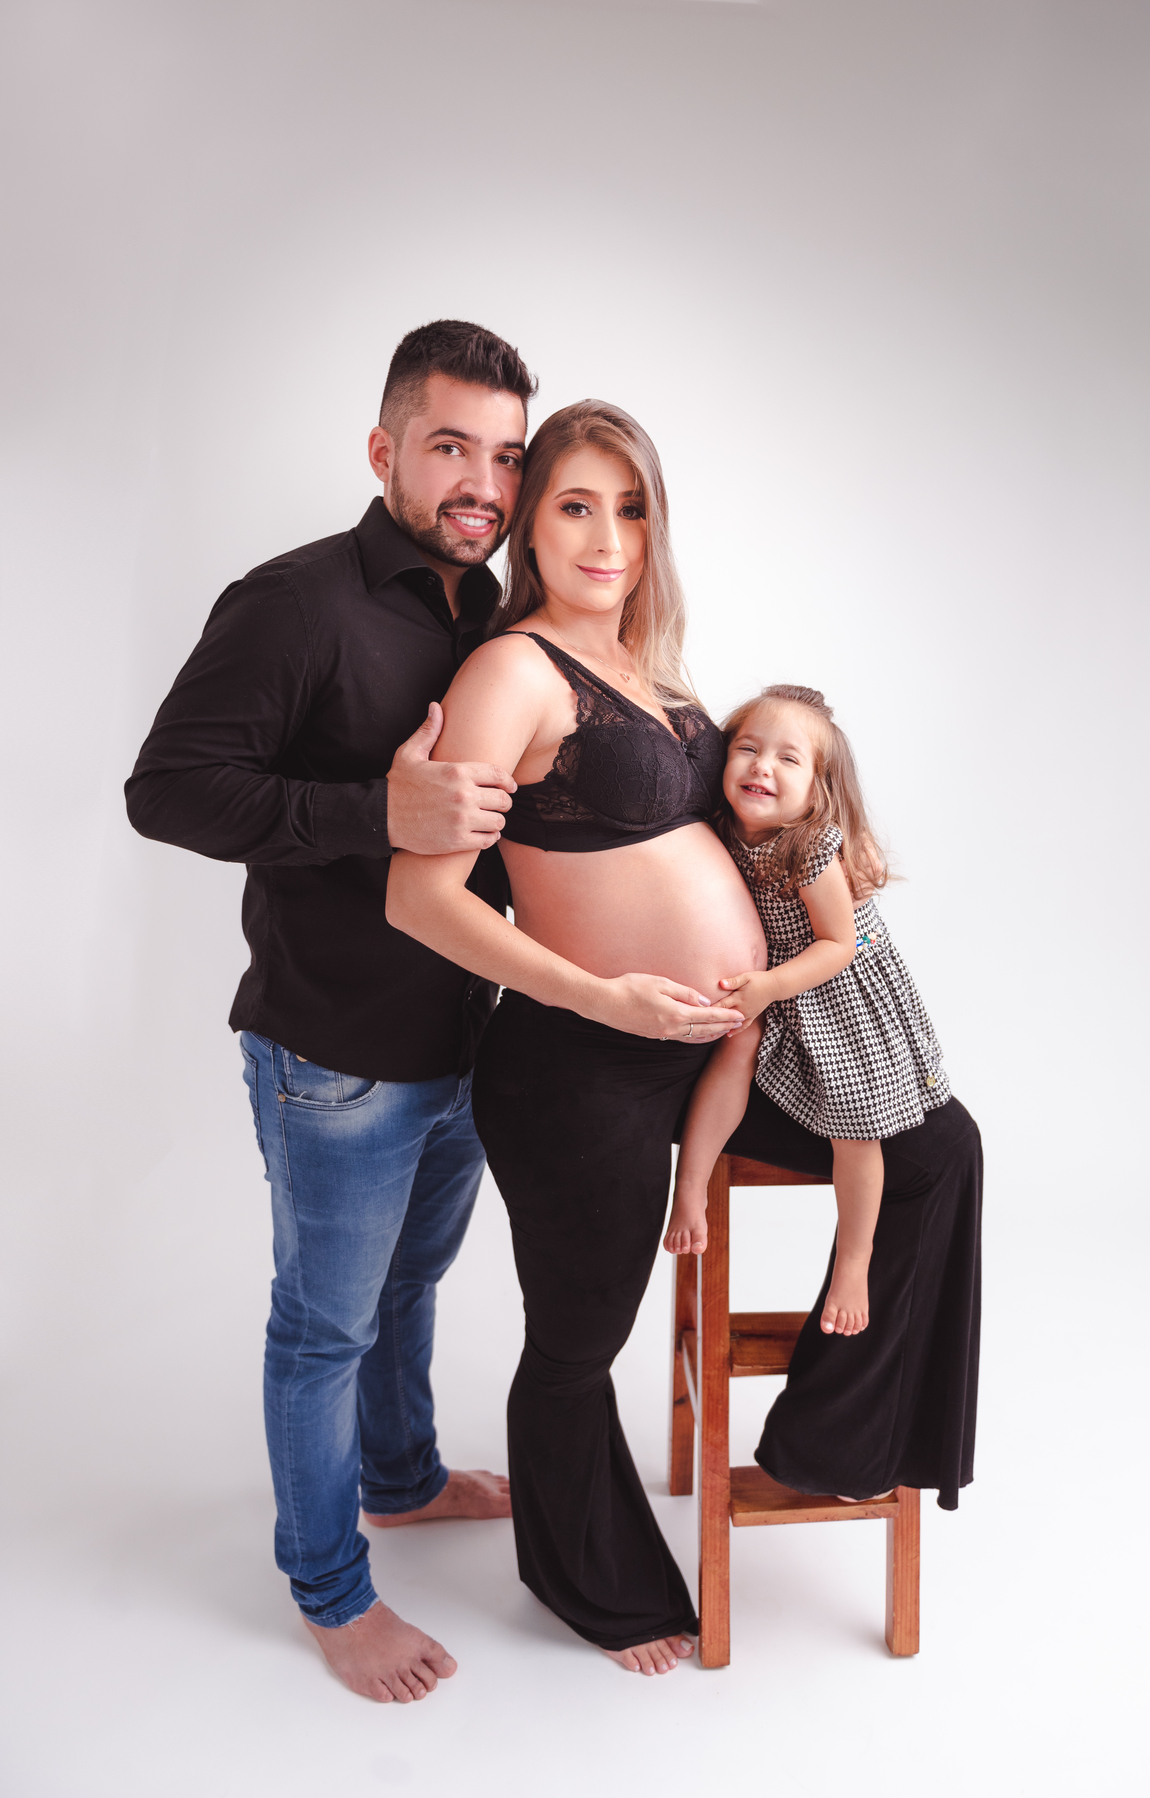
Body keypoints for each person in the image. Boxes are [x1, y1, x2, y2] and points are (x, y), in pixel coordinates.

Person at [123, 323, 738, 1707]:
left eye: (507, 457)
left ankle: (399, 1476)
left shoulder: (492, 615)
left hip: (477, 1032)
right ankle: (330, 1592)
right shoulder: (295, 604)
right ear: (383, 449)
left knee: (412, 1285)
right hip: (337, 1043)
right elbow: (165, 790)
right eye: (451, 447)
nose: (482, 482)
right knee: (324, 1329)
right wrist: (371, 811)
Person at [386, 400, 983, 1678]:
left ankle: (829, 1435)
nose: (607, 538)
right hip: (581, 1064)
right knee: (577, 1343)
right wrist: (602, 997)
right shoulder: (512, 672)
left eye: (632, 509)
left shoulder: (655, 670)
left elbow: (732, 824)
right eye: (576, 506)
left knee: (938, 1148)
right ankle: (585, 1580)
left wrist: (827, 863)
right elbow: (420, 898)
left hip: (717, 1049)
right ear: (531, 525)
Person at [664, 685, 952, 1347]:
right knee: (736, 1049)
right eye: (747, 749)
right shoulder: (719, 829)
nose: (761, 767)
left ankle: (854, 1262)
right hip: (772, 987)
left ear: (819, 789)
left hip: (839, 993)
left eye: (788, 759)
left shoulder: (811, 848)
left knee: (856, 1126)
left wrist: (768, 987)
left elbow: (838, 945)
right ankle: (690, 1187)